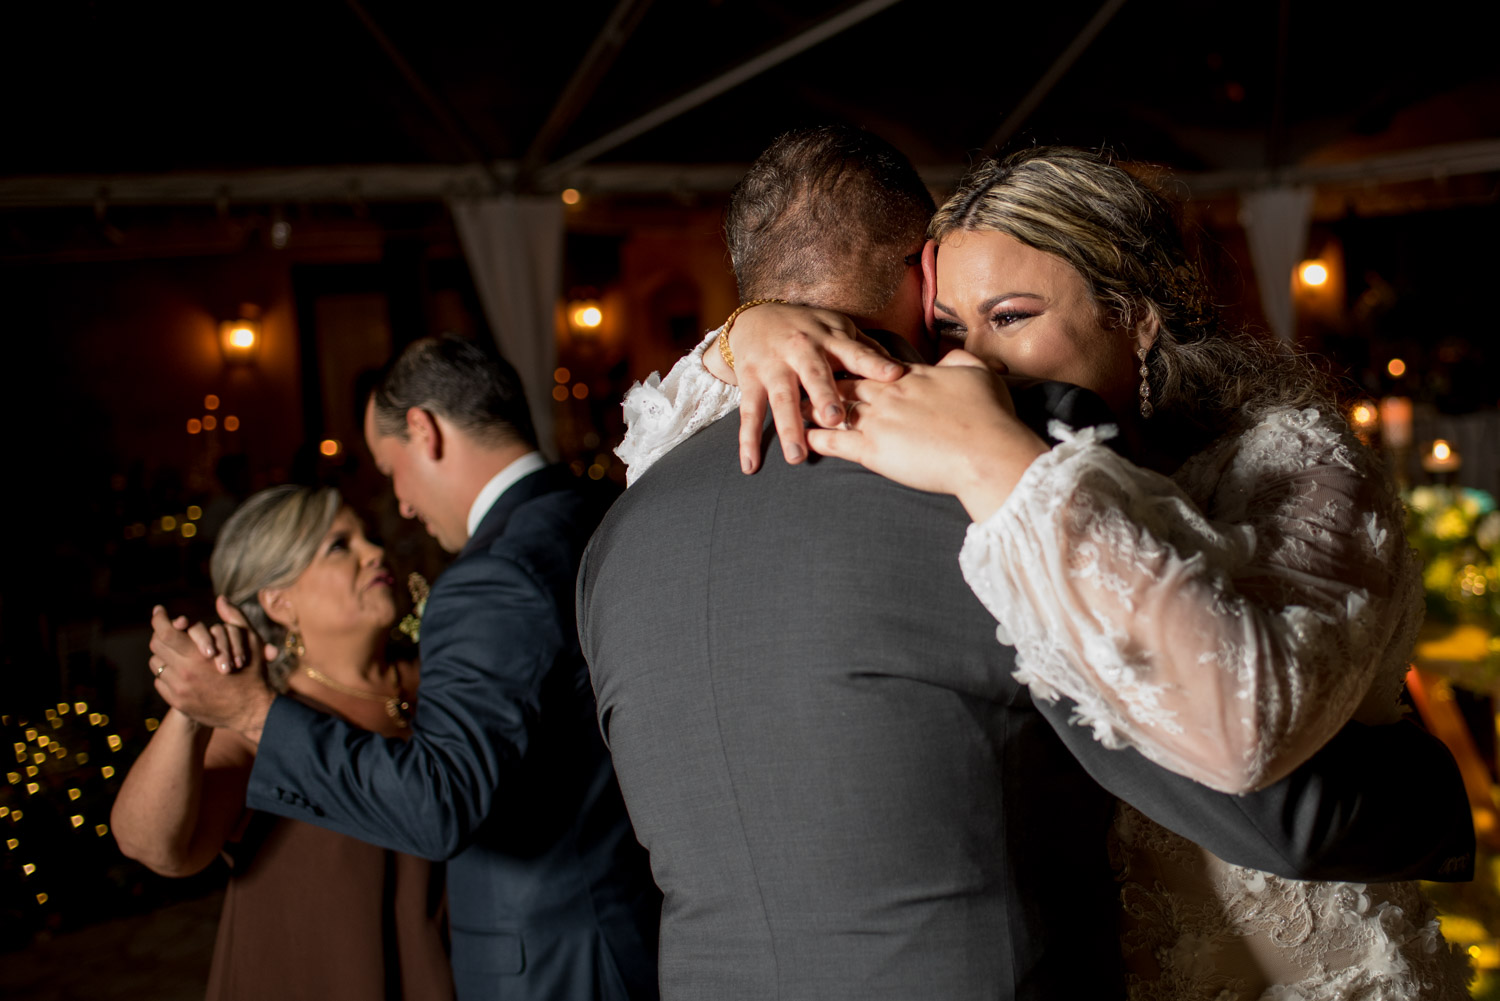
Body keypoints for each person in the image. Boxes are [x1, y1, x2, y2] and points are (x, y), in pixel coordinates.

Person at [587, 128, 1473, 1000]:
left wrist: (998, 462)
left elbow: (1265, 795)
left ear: (1136, 320)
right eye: (945, 328)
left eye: (1012, 317)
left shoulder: (1278, 458)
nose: (970, 359)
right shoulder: (1001, 478)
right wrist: (752, 332)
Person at [149, 336, 661, 1001]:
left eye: (391, 470)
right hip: (618, 923)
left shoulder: (492, 574)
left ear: (424, 429)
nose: (405, 507)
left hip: (551, 960)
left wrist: (250, 709)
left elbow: (440, 801)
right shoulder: (601, 511)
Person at [112, 485, 454, 1001]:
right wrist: (191, 708)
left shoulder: (443, 680)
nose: (375, 552)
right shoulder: (260, 724)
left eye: (368, 536)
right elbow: (154, 848)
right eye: (340, 546)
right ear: (279, 601)